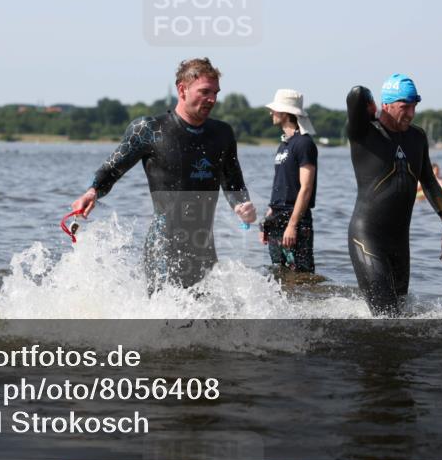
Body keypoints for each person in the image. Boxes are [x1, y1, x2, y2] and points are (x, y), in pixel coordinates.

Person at [69, 58, 256, 293]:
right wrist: (92, 192)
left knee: (207, 324)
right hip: (163, 249)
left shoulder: (222, 134)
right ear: (182, 89)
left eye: (215, 93)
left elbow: (234, 182)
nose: (212, 99)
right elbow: (112, 168)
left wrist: (242, 206)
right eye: (204, 92)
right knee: (165, 324)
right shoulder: (149, 129)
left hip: (203, 249)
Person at [345, 74, 442, 315]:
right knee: (385, 315)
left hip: (399, 242)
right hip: (367, 237)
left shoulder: (417, 137)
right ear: (385, 105)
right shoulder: (364, 133)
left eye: (414, 106)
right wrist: (370, 104)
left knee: (399, 316)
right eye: (404, 107)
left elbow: (428, 180)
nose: (411, 113)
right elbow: (356, 94)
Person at [259, 89, 318, 273]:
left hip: (295, 219)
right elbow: (280, 185)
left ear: (285, 113)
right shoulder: (284, 145)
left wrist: (292, 226)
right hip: (277, 218)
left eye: (274, 110)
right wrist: (267, 220)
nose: (271, 113)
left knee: (300, 274)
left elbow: (306, 188)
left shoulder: (304, 144)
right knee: (279, 273)